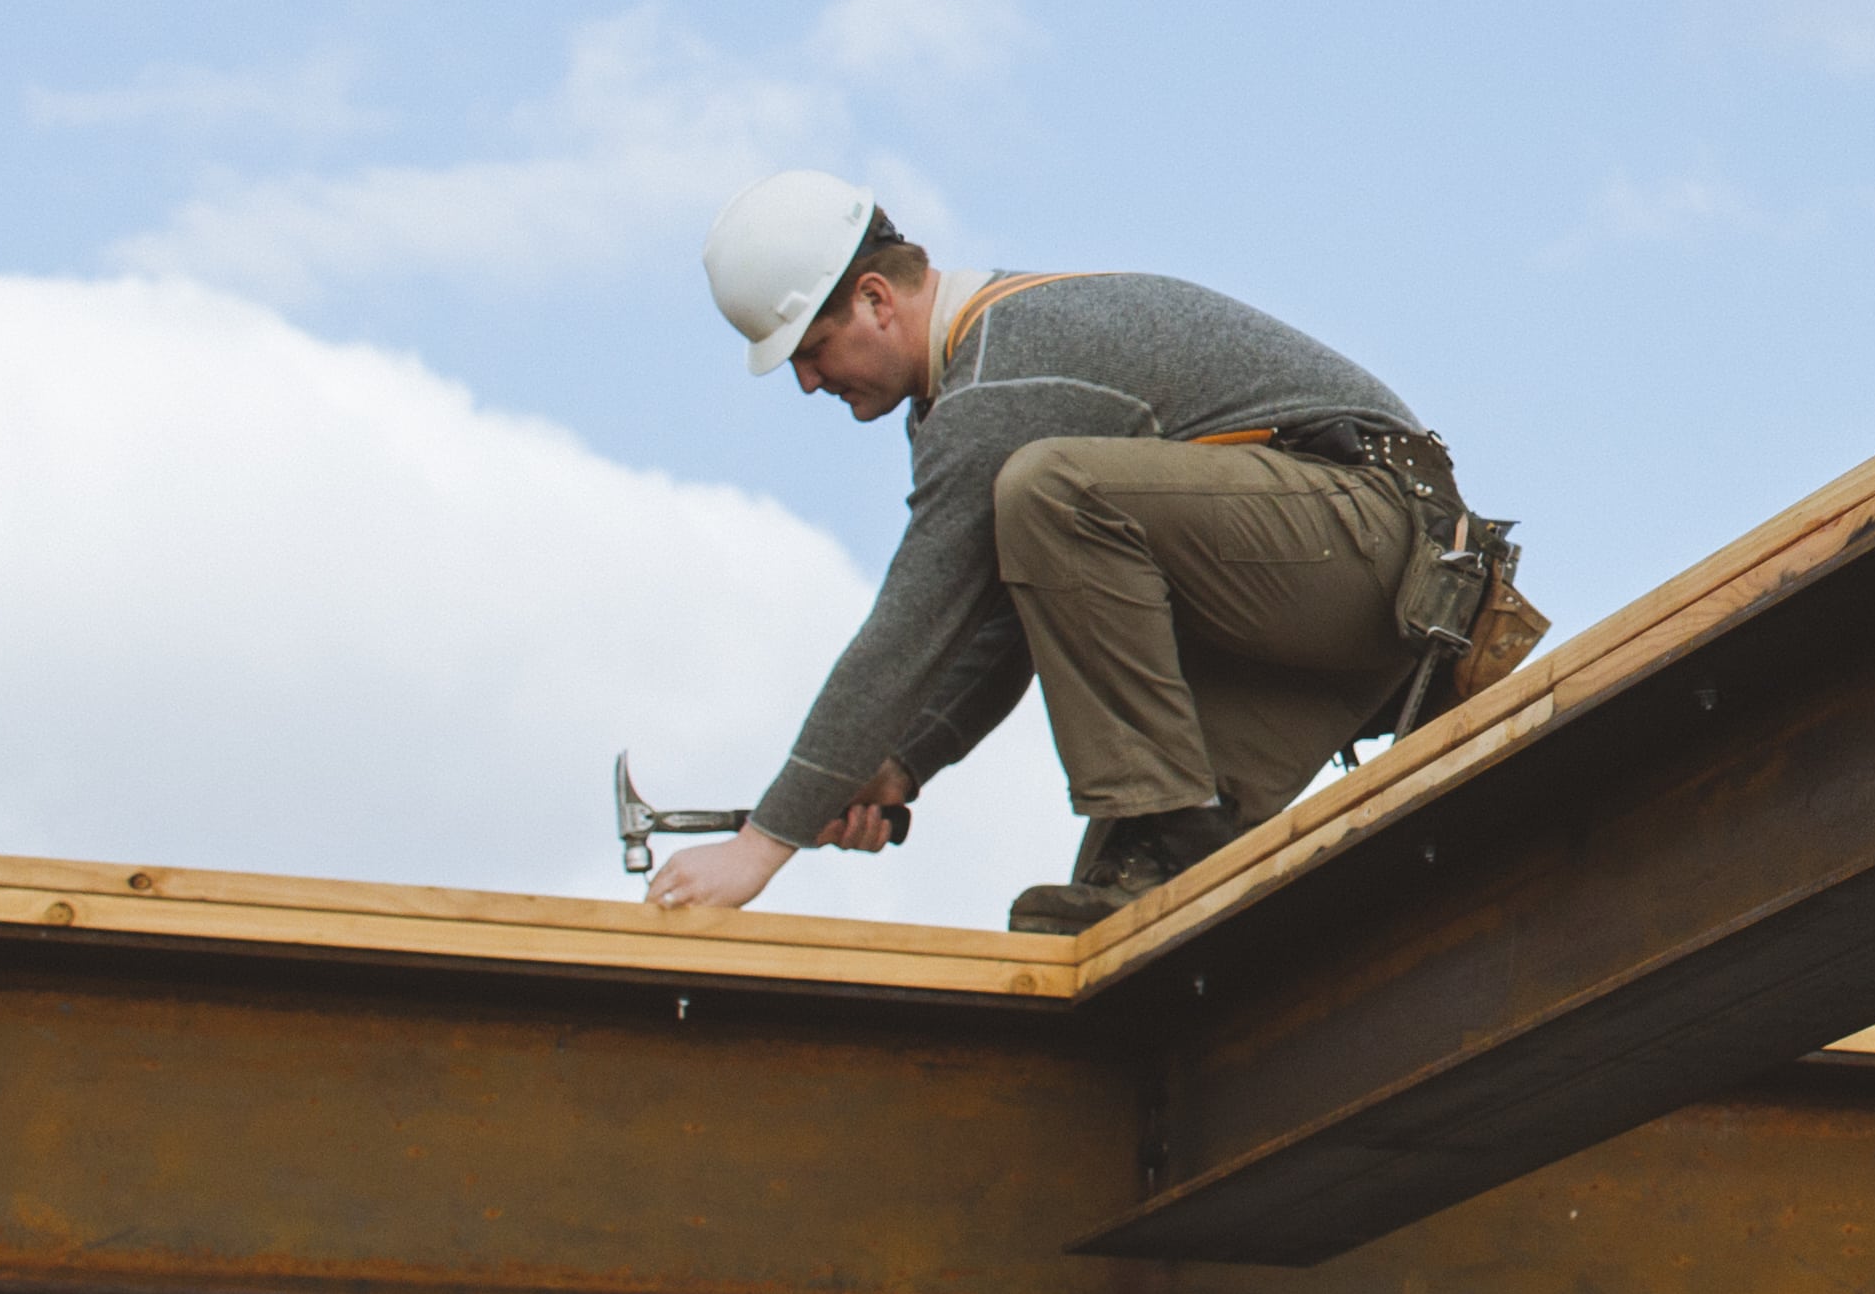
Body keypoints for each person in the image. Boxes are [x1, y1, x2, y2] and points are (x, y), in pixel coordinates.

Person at [651, 168, 1530, 935]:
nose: (808, 381)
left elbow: (909, 631)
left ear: (878, 300)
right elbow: (1007, 619)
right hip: (1306, 608)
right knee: (1133, 914)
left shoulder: (1002, 377)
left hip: (1378, 547)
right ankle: (1169, 834)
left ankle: (1162, 810)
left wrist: (765, 842)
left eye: (812, 350)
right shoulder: (972, 397)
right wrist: (900, 764)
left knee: (1050, 488)